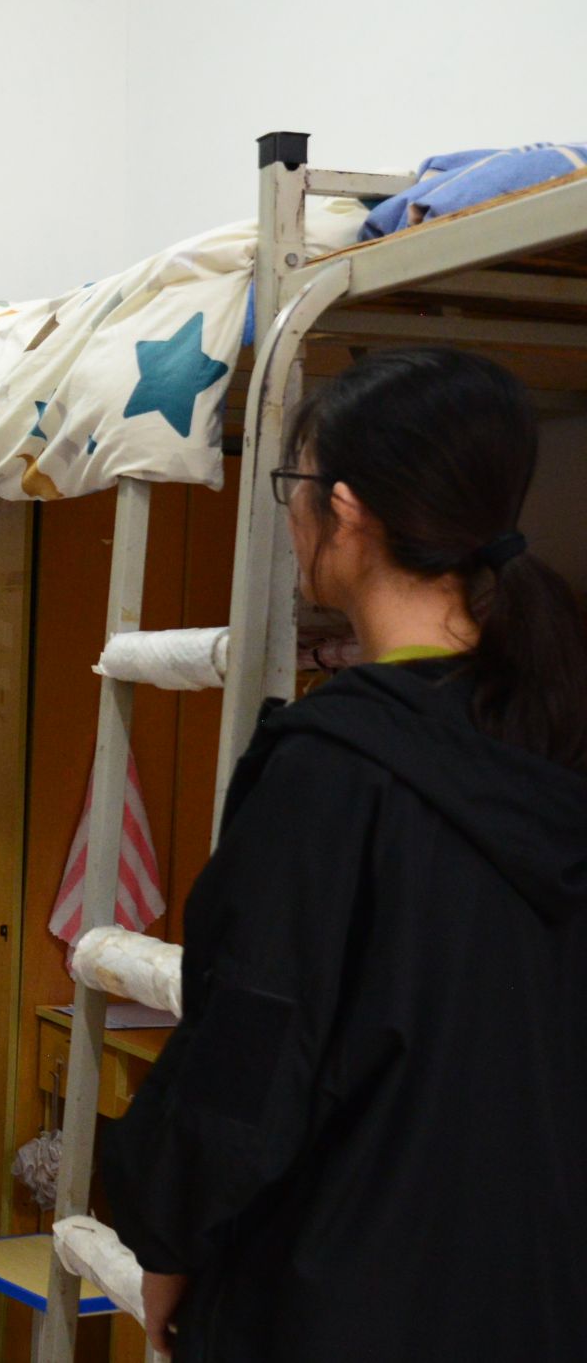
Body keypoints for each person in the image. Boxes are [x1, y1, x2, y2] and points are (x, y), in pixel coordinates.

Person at [100, 348, 587, 1363]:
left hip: (345, 1291)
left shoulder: (327, 770)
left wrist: (167, 1240)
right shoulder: (552, 732)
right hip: (537, 1284)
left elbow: (246, 1062)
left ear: (348, 513)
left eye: (296, 484)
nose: (291, 513)